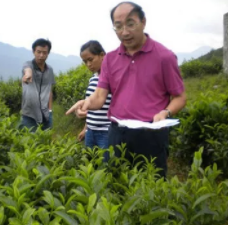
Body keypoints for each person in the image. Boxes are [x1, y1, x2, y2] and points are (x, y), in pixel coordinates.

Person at [66, 2, 187, 178]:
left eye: (130, 23)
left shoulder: (164, 57)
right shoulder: (110, 59)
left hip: (151, 134)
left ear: (143, 22)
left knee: (151, 188)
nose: (125, 32)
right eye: (118, 26)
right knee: (115, 185)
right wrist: (86, 103)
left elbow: (180, 97)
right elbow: (99, 97)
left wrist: (165, 112)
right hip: (117, 134)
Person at [77, 41, 112, 162]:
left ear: (102, 55)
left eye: (90, 59)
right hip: (90, 131)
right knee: (90, 165)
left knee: (105, 167)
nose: (88, 64)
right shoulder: (92, 79)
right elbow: (90, 109)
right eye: (85, 61)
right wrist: (85, 129)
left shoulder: (113, 78)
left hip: (106, 132)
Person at [19, 38, 55, 132]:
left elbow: (49, 91)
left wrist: (50, 110)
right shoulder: (28, 64)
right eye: (38, 52)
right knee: (31, 143)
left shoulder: (50, 70)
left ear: (48, 53)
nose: (41, 55)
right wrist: (27, 75)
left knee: (45, 142)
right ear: (33, 51)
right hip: (29, 115)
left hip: (46, 114)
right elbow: (27, 70)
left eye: (44, 53)